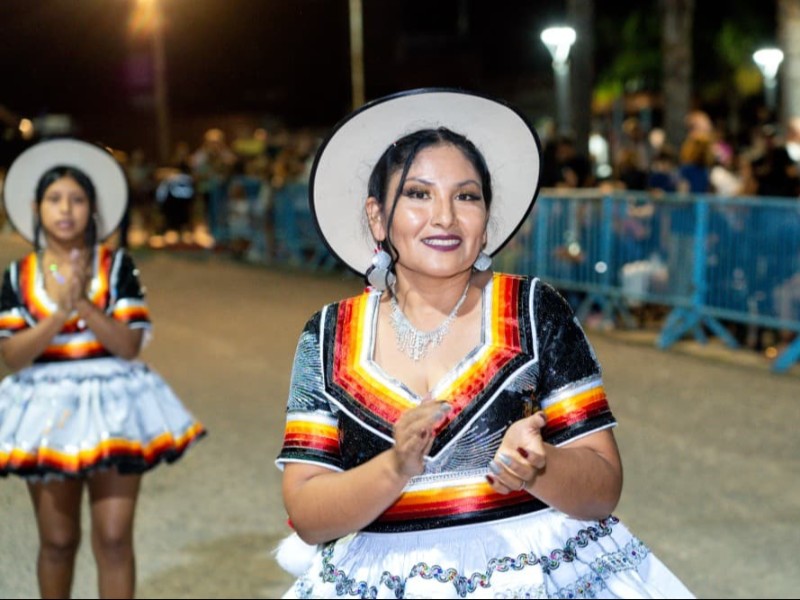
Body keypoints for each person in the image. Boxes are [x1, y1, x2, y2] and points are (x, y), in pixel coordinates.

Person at [273, 88, 694, 598]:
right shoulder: (328, 336)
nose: (445, 218)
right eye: (418, 194)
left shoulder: (534, 312)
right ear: (378, 216)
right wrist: (395, 466)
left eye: (466, 196)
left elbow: (602, 489)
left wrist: (540, 466)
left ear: (487, 215)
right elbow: (308, 515)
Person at [0, 138, 207, 599]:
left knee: (114, 539)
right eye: (55, 199)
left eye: (77, 199)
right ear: (37, 209)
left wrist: (85, 307)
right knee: (57, 540)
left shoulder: (117, 269)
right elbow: (13, 355)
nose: (66, 209)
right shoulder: (19, 275)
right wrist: (58, 314)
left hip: (113, 410)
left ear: (93, 209)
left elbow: (129, 345)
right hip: (46, 414)